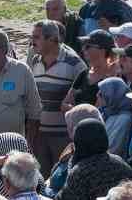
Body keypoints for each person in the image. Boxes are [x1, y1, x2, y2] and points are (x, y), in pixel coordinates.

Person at [28, 19, 87, 172]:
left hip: (63, 137)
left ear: (52, 40)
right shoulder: (34, 61)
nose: (32, 41)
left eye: (36, 37)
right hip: (39, 135)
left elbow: (83, 99)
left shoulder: (75, 64)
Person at [94, 75, 132, 159]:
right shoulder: (107, 112)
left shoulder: (124, 118)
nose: (96, 95)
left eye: (101, 94)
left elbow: (113, 148)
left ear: (112, 95)